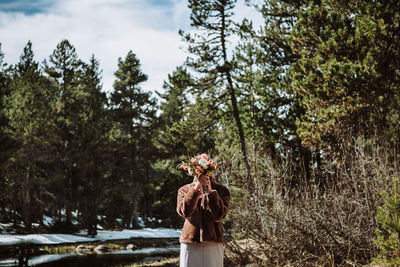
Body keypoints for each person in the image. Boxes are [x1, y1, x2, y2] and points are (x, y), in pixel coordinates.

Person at [176, 168, 230, 267]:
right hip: (191, 241)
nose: (203, 174)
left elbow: (220, 215)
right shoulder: (184, 190)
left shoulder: (222, 190)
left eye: (206, 171)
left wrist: (211, 192)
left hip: (213, 242)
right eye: (200, 171)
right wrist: (194, 190)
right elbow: (185, 212)